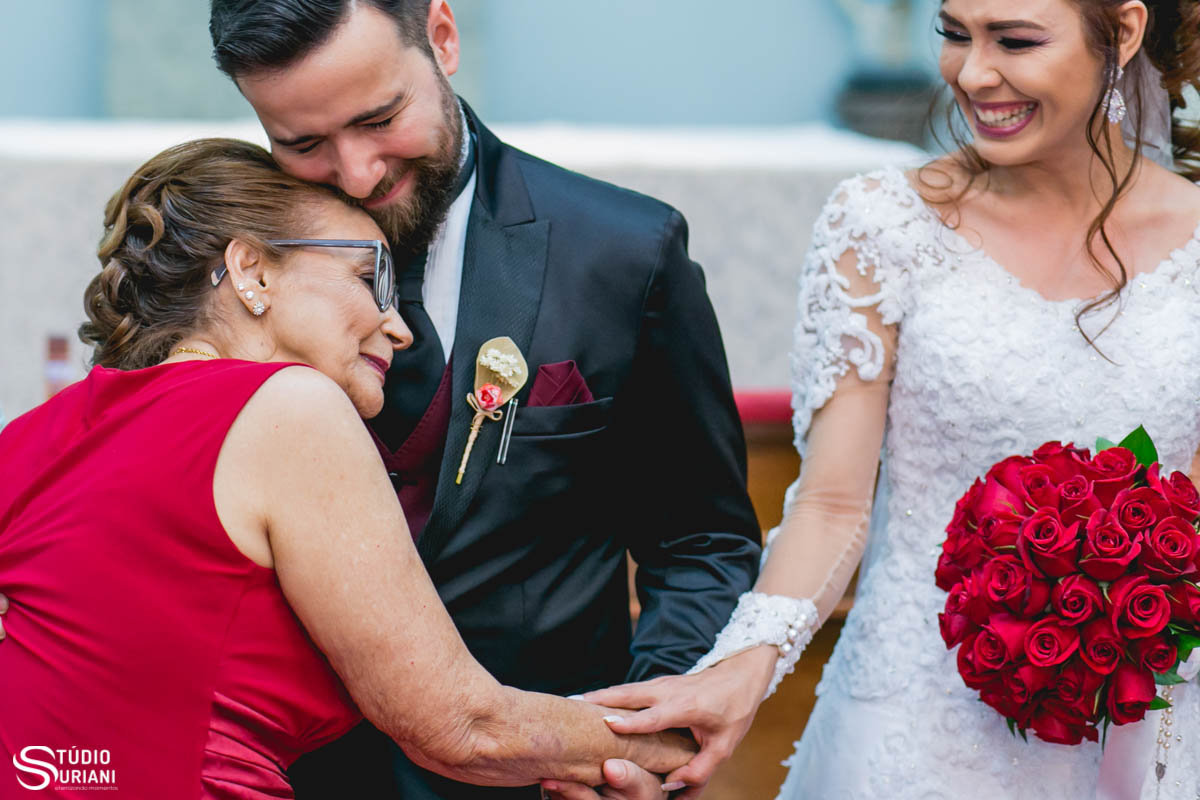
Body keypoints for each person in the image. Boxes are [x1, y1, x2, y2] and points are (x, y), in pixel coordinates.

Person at [583, 0, 1200, 797]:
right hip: (914, 726)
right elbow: (833, 507)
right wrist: (737, 674)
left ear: (1122, 32)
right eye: (953, 34)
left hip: (1145, 724)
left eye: (1014, 40)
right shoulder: (883, 226)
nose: (973, 74)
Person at [0, 138, 695, 799]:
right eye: (370, 277)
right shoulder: (290, 406)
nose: (399, 327)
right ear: (252, 271)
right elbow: (459, 725)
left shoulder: (26, 438)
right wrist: (675, 745)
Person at [203, 2, 763, 798]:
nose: (359, 172)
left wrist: (643, 740)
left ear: (441, 36)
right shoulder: (234, 269)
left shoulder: (622, 252)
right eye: (303, 143)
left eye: (381, 118)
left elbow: (701, 539)